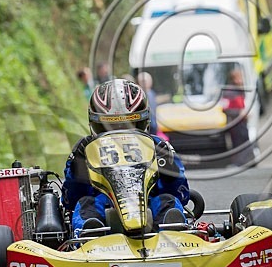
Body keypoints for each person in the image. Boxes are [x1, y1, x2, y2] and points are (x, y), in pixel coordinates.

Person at [62, 79, 190, 237]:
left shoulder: (157, 146)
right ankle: (91, 234)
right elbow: (70, 199)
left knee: (168, 200)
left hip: (147, 203)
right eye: (109, 128)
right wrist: (78, 168)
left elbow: (181, 194)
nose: (120, 135)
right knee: (86, 204)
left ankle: (172, 230)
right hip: (105, 205)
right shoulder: (84, 149)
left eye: (128, 126)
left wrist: (169, 172)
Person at [220, 68, 256, 166]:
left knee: (245, 140)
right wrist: (239, 113)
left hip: (242, 122)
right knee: (238, 143)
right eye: (240, 77)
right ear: (234, 79)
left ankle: (249, 161)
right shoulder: (229, 92)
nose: (242, 80)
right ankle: (240, 162)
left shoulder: (239, 90)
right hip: (234, 123)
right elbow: (225, 108)